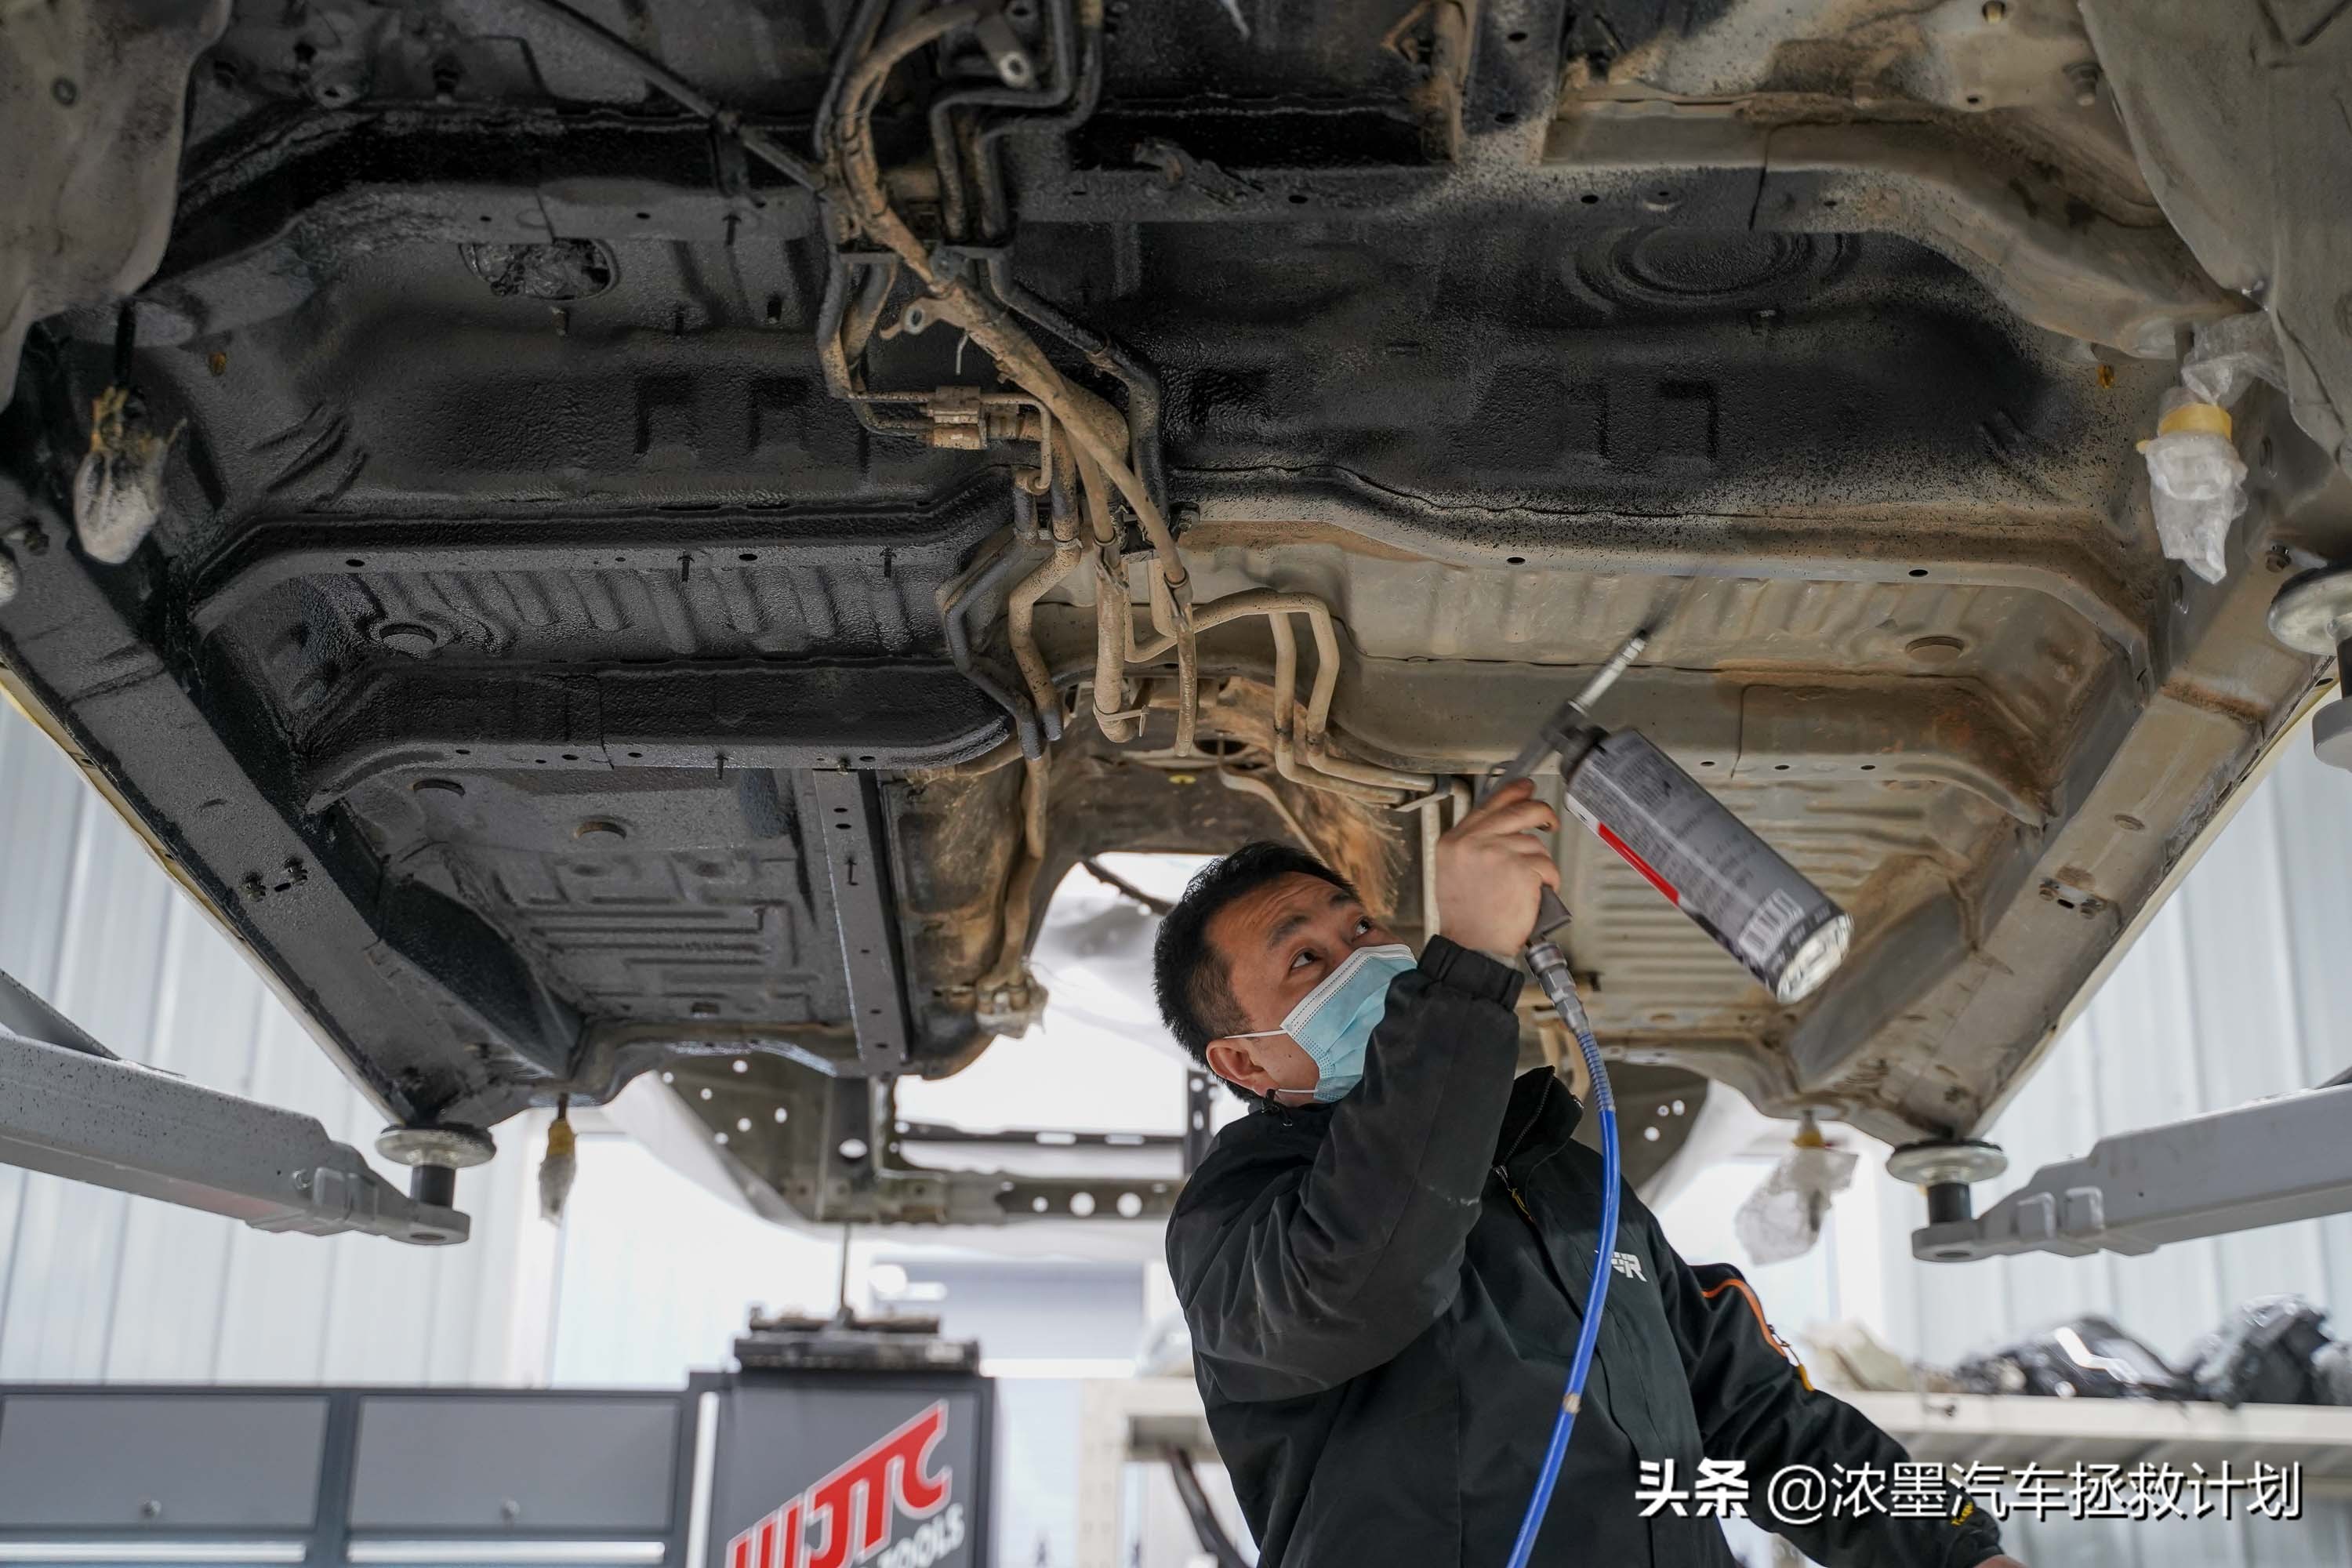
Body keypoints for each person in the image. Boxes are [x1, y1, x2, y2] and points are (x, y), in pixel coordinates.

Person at [1152, 780, 2024, 1566]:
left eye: (1361, 927)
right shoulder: (1237, 1216)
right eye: (1306, 959)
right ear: (1246, 1064)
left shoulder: (1563, 1176)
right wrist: (1469, 965)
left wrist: (1956, 1552)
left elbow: (1760, 1410)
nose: (1362, 957)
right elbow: (1364, 1267)